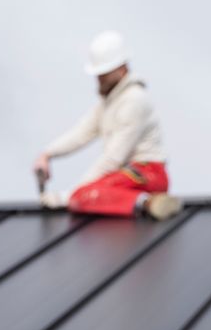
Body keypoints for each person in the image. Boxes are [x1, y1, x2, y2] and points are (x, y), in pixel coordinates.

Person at [33, 31, 182, 221]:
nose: (99, 79)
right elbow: (81, 133)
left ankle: (150, 203)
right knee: (85, 194)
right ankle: (144, 203)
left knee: (84, 197)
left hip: (148, 173)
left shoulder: (135, 101)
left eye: (104, 73)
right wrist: (47, 154)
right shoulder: (109, 102)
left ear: (121, 69)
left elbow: (113, 158)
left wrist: (70, 196)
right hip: (127, 175)